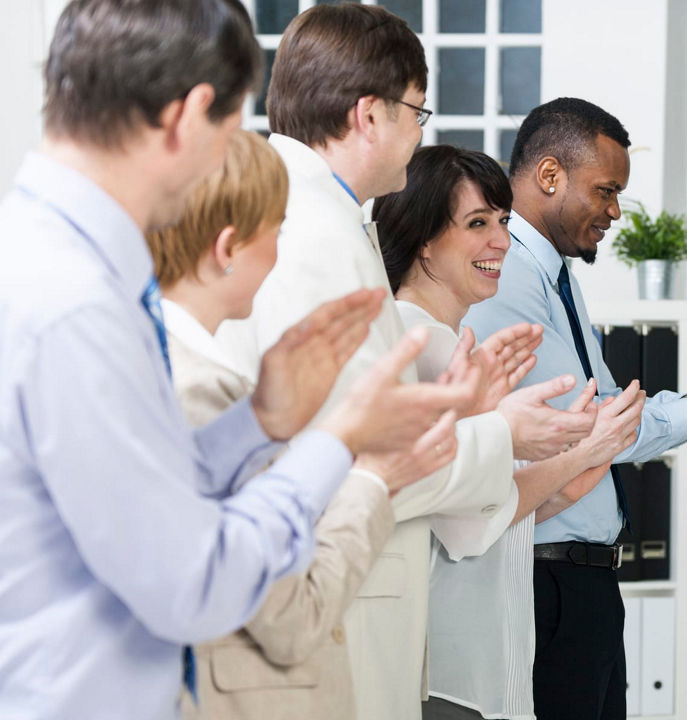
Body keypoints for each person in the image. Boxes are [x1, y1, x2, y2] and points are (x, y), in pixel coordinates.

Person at [0, 2, 475, 719]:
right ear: (192, 117)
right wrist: (342, 444)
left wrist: (255, 423)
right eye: (231, 134)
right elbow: (196, 580)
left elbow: (135, 497)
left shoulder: (49, 260)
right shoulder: (77, 305)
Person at [214, 8, 598, 718]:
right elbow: (364, 461)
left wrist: (461, 405)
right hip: (326, 608)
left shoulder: (323, 221)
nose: (421, 132)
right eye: (418, 112)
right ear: (369, 116)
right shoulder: (317, 238)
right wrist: (501, 430)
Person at [464, 97, 687, 720]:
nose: (615, 210)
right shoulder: (507, 275)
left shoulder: (554, 274)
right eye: (605, 190)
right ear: (550, 176)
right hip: (543, 582)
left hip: (583, 584)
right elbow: (584, 426)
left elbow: (608, 409)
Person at [145, 129, 462, 719]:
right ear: (229, 246)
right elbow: (291, 617)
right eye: (277, 230)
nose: (282, 251)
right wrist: (375, 476)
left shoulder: (169, 366)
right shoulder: (196, 391)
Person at [372, 144, 646, 720]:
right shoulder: (417, 344)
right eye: (478, 224)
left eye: (501, 220)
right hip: (449, 670)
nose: (500, 241)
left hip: (486, 658)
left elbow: (483, 511)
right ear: (423, 237)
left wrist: (568, 477)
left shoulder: (448, 341)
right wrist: (572, 454)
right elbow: (466, 527)